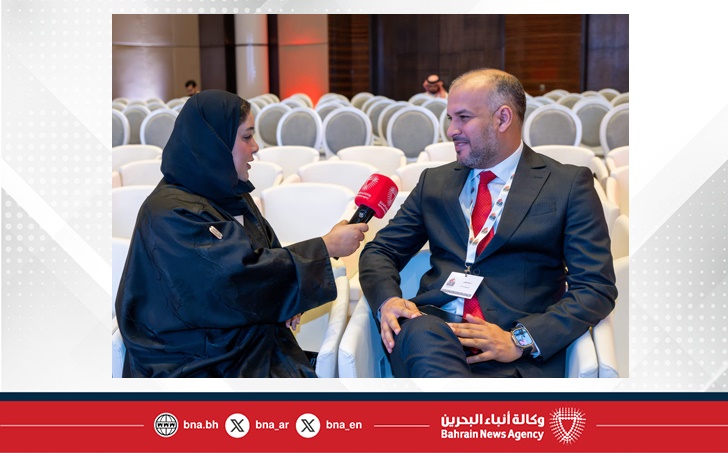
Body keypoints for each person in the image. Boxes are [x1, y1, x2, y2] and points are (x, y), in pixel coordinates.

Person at [359, 69, 616, 378]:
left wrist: (520, 340)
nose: (451, 130)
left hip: (515, 354)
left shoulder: (567, 185)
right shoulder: (435, 182)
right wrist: (388, 300)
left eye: (463, 118)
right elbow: (380, 251)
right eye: (450, 118)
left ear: (503, 118)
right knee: (422, 332)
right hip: (433, 337)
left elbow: (595, 287)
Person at [115, 90, 368, 378]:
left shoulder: (228, 193)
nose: (256, 147)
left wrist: (285, 294)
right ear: (214, 144)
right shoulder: (169, 213)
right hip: (191, 357)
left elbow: (261, 257)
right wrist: (325, 247)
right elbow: (231, 280)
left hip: (235, 340)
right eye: (247, 137)